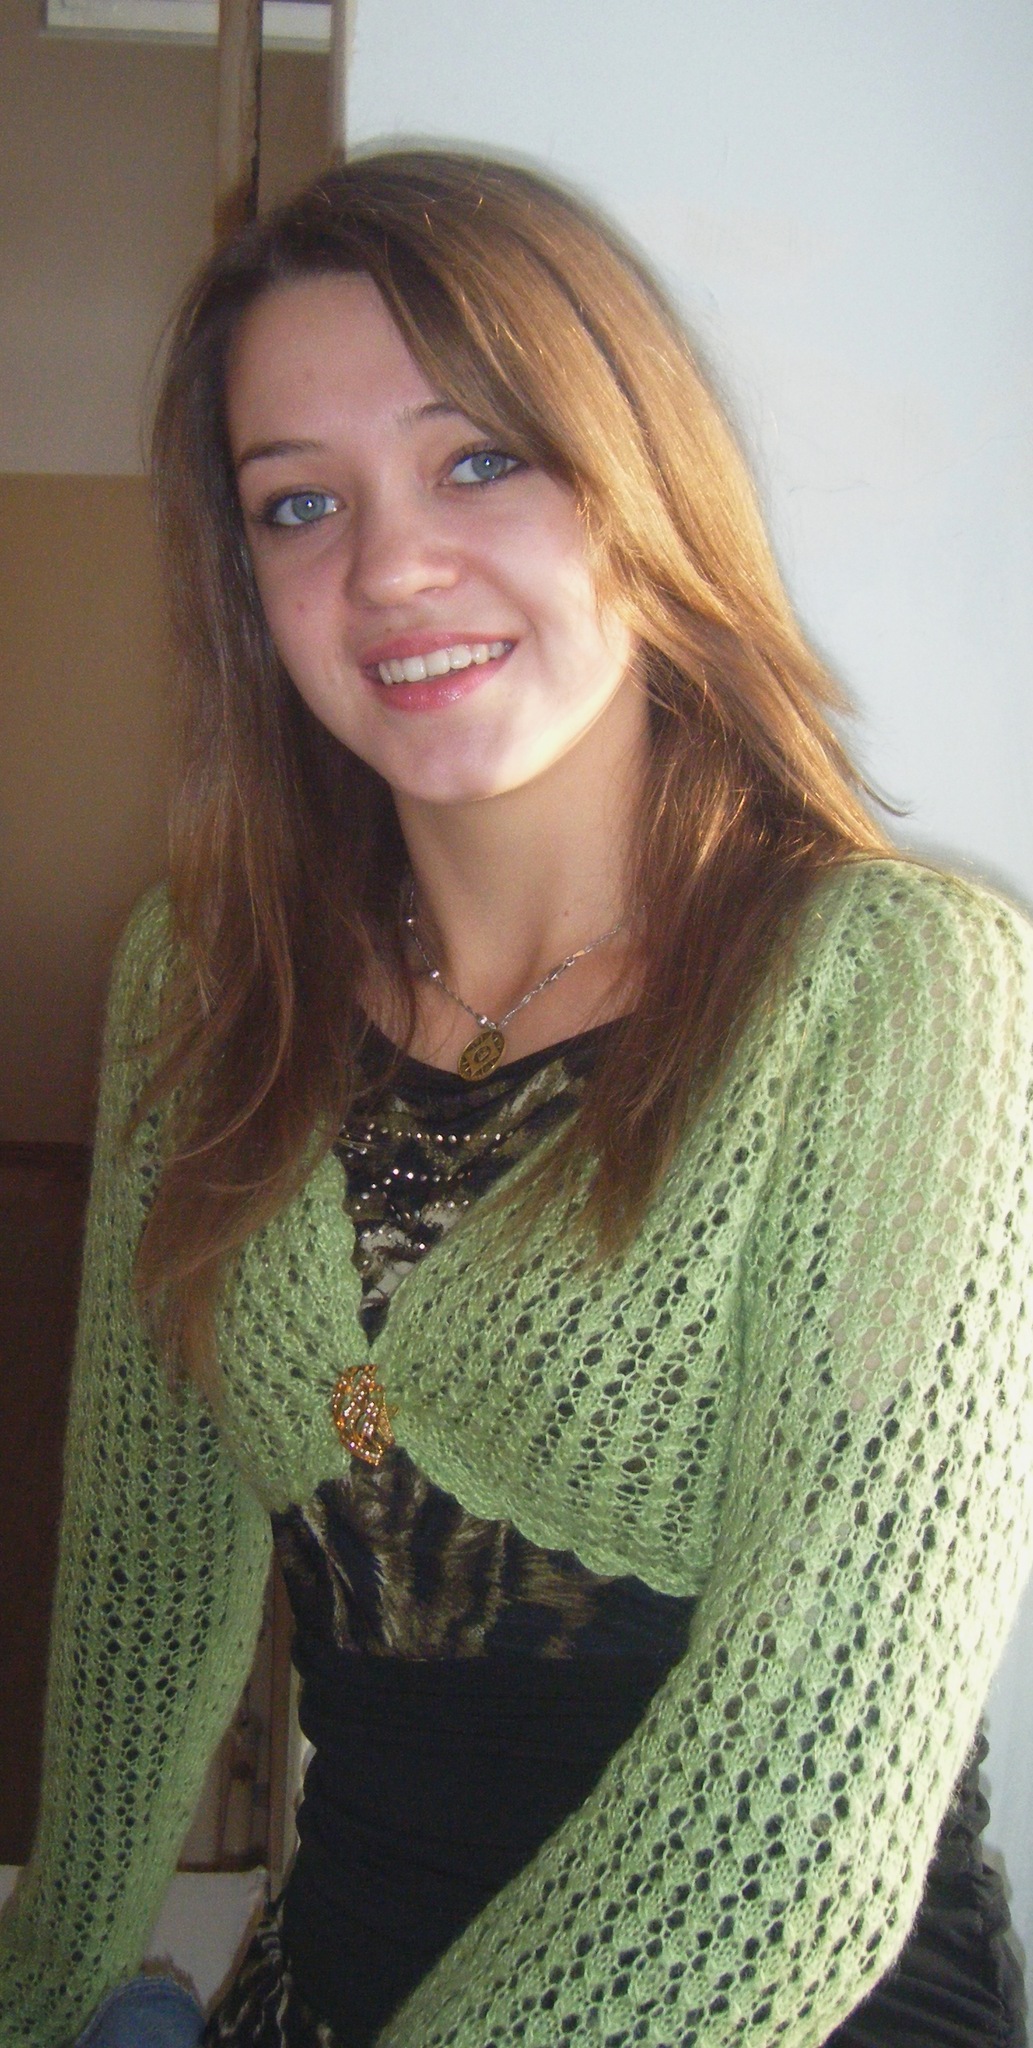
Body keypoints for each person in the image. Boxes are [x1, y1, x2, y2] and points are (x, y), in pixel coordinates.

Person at [2, 150, 1032, 2048]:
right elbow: (143, 1579)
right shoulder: (201, 985)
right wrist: (45, 1988)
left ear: (638, 484)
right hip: (338, 1978)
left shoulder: (896, 995)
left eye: (479, 461)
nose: (387, 566)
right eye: (298, 503)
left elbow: (802, 1816)